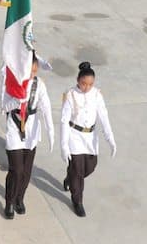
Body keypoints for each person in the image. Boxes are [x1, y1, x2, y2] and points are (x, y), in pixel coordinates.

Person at [60, 61, 117, 218]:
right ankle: (77, 201)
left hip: (90, 136)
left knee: (90, 167)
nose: (87, 87)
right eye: (84, 83)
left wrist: (110, 138)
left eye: (90, 84)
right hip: (75, 136)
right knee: (78, 170)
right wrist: (64, 145)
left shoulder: (97, 95)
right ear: (78, 81)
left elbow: (103, 116)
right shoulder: (71, 95)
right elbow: (64, 121)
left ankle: (70, 177)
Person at [2, 54, 55, 219]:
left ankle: (20, 198)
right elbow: (4, 106)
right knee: (16, 169)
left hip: (31, 128)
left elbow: (46, 108)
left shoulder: (39, 85)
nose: (32, 73)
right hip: (14, 125)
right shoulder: (11, 82)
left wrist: (51, 130)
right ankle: (9, 201)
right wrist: (17, 101)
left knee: (26, 170)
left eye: (35, 70)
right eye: (28, 70)